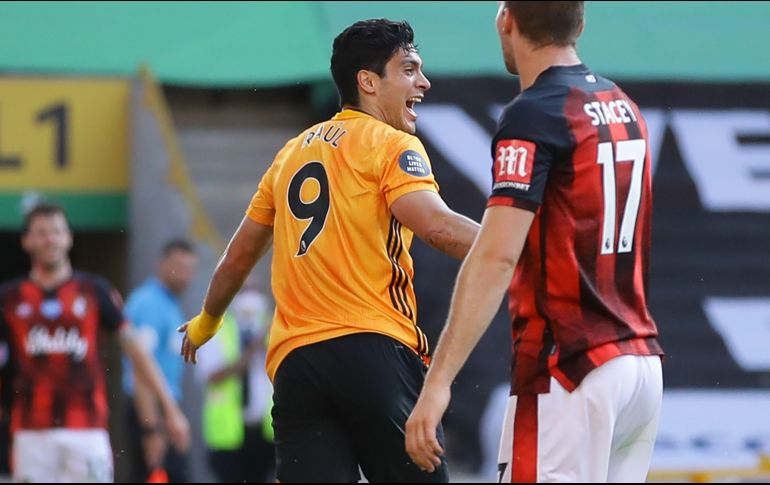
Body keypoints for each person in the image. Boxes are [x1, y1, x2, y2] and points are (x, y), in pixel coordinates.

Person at [179, 18, 480, 483]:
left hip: (297, 367)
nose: (423, 82)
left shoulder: (290, 154)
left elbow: (237, 258)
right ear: (368, 82)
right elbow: (438, 227)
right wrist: (517, 248)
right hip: (373, 350)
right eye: (409, 70)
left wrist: (206, 322)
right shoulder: (392, 144)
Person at [405, 2, 664, 483]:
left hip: (570, 369)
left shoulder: (534, 113)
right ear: (580, 23)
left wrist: (437, 383)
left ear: (505, 19)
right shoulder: (621, 104)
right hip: (639, 364)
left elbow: (497, 256)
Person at [0, 203, 190, 483]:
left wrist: (170, 410)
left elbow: (136, 351)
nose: (50, 239)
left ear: (69, 237)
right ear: (26, 241)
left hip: (87, 429)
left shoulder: (94, 291)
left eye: (56, 231)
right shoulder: (10, 298)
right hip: (31, 431)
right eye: (41, 233)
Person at [123, 239, 197, 482]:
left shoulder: (169, 303)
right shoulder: (149, 304)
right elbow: (140, 367)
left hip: (164, 408)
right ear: (161, 265)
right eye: (178, 267)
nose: (184, 276)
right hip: (151, 409)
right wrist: (151, 429)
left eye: (189, 269)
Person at [195, 282, 275, 483]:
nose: (250, 298)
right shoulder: (218, 330)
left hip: (264, 432)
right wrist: (252, 350)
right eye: (244, 290)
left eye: (255, 290)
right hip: (229, 435)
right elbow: (212, 376)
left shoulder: (272, 327)